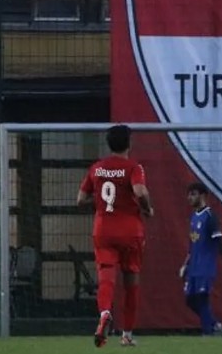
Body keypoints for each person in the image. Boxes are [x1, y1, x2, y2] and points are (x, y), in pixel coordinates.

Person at [77, 125, 154, 348]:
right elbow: (140, 192)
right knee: (131, 281)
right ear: (129, 143)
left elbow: (80, 199)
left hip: (103, 229)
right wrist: (148, 209)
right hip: (130, 231)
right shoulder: (133, 168)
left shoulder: (97, 168)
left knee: (106, 277)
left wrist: (101, 203)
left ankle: (104, 313)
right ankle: (127, 335)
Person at [180, 182, 222, 337]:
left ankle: (208, 332)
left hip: (205, 266)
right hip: (193, 266)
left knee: (202, 298)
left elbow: (219, 240)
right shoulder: (194, 217)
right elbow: (192, 244)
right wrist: (185, 264)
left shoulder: (209, 216)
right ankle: (215, 325)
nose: (189, 197)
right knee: (189, 300)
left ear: (202, 195)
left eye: (193, 194)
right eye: (189, 194)